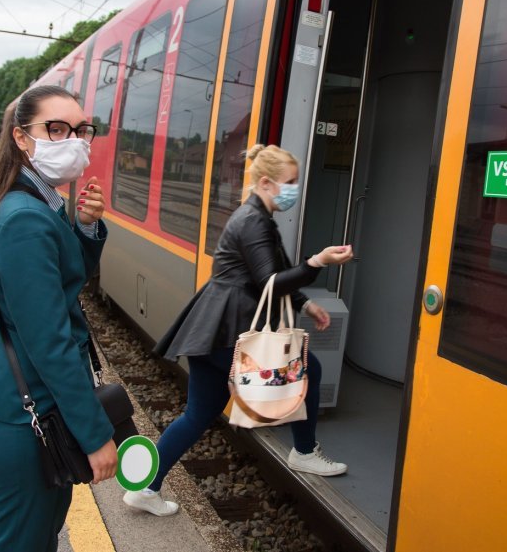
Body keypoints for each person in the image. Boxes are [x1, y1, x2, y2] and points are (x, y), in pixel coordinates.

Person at [124, 144, 353, 517]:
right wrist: (317, 262)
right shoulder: (254, 222)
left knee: (198, 413)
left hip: (212, 327)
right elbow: (269, 281)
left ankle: (145, 488)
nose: (294, 189)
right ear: (265, 182)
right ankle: (304, 452)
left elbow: (272, 273)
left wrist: (304, 304)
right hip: (229, 329)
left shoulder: (256, 218)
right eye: (289, 182)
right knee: (310, 368)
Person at [0, 85, 117, 552]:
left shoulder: (37, 202)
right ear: (22, 138)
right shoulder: (25, 217)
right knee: (20, 542)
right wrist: (95, 436)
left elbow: (62, 282)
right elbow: (50, 341)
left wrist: (85, 228)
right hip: (23, 412)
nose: (74, 139)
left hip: (31, 404)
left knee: (36, 536)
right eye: (56, 129)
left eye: (80, 129)